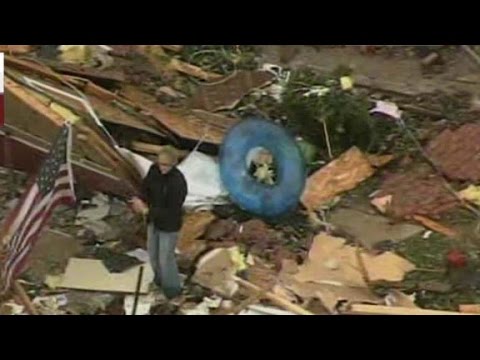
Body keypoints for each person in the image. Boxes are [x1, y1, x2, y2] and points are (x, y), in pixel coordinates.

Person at [131, 147, 188, 299]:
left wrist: (146, 211)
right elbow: (145, 187)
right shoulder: (154, 170)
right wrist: (139, 199)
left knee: (165, 258)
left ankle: (172, 291)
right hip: (153, 221)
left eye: (167, 165)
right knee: (153, 254)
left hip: (169, 225)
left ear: (174, 165)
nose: (163, 168)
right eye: (161, 164)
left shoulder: (178, 183)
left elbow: (171, 210)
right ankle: (158, 283)